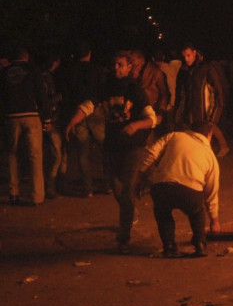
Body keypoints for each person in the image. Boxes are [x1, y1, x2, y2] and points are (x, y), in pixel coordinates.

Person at [65, 51, 157, 254]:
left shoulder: (135, 89)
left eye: (120, 65)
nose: (116, 68)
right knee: (115, 186)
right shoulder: (105, 86)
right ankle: (130, 210)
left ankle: (123, 238)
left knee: (126, 188)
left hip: (132, 146)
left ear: (129, 67)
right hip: (112, 144)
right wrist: (73, 120)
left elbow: (152, 118)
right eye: (114, 64)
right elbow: (89, 105)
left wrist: (135, 126)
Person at [135, 120, 221, 257]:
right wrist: (214, 221)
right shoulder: (210, 156)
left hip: (161, 187)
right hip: (190, 193)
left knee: (163, 213)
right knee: (197, 212)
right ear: (209, 135)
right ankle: (200, 244)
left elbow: (151, 154)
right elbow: (211, 191)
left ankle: (169, 246)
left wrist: (139, 177)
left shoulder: (174, 136)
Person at [1, 44, 50, 206]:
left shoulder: (4, 72)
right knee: (35, 156)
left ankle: (13, 193)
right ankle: (37, 196)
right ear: (26, 57)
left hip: (11, 116)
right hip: (31, 114)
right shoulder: (33, 70)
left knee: (12, 154)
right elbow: (41, 94)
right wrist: (46, 117)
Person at [59, 42, 106, 197]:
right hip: (95, 111)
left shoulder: (69, 71)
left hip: (77, 113)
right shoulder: (97, 70)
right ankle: (108, 183)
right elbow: (102, 91)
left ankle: (88, 189)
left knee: (83, 152)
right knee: (104, 148)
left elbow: (66, 94)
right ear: (89, 53)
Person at [174, 42, 228, 157]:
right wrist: (177, 113)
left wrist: (213, 118)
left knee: (202, 151)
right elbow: (180, 94)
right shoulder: (183, 72)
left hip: (203, 117)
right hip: (188, 117)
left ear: (194, 53)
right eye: (184, 56)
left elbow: (218, 93)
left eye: (188, 55)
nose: (186, 59)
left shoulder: (206, 69)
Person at [40, 52, 66, 198]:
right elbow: (44, 101)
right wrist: (61, 97)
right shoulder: (46, 78)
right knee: (56, 155)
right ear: (55, 62)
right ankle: (50, 187)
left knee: (56, 154)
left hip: (53, 119)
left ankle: (56, 185)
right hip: (51, 120)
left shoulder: (48, 77)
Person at [130, 49, 170, 136]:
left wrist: (160, 112)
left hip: (152, 111)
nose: (131, 63)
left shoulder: (156, 73)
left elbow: (165, 93)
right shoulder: (133, 72)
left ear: (142, 60)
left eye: (133, 60)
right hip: (137, 112)